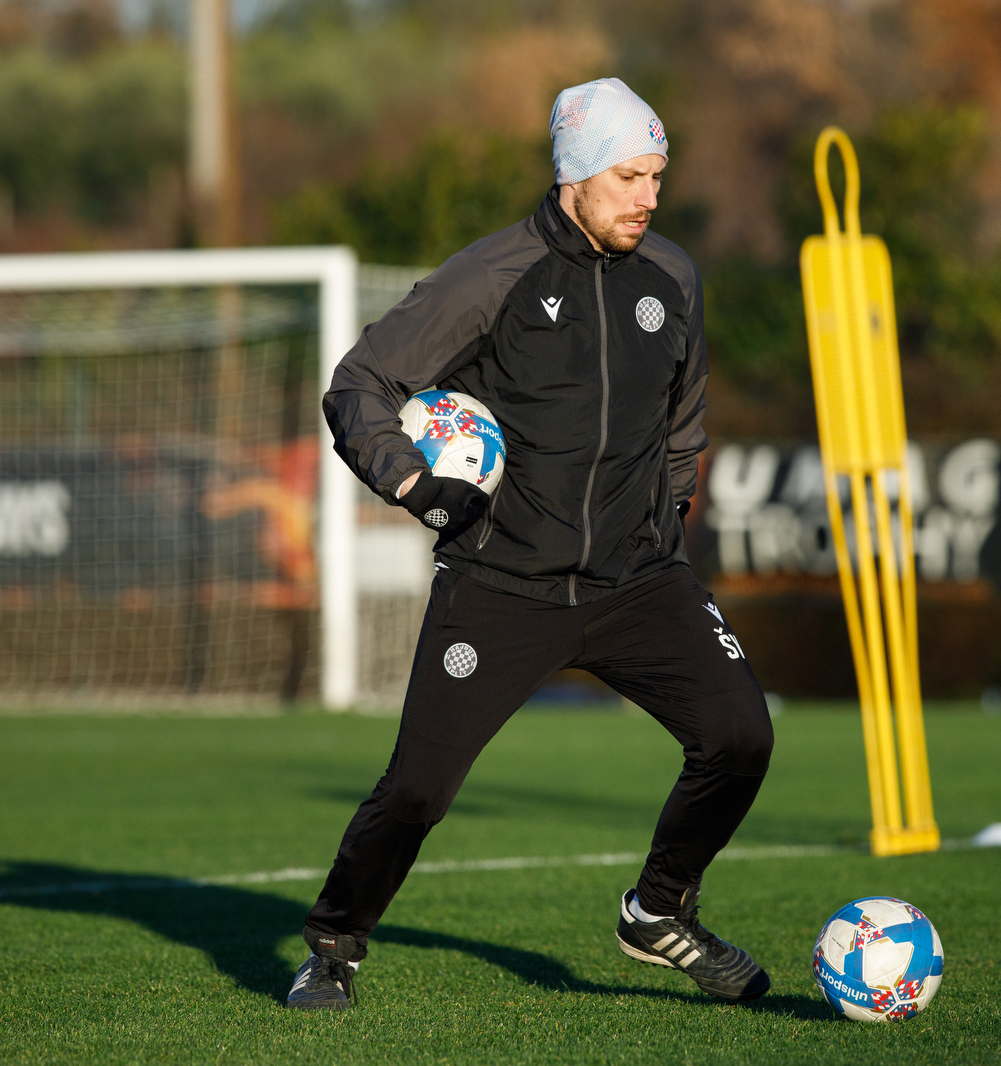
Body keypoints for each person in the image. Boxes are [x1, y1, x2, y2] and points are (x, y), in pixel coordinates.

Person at [288, 77, 774, 1011]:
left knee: (740, 737)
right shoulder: (491, 277)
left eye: (657, 177)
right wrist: (412, 484)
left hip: (638, 581)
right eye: (629, 177)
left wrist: (661, 531)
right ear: (576, 177)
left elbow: (684, 427)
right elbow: (361, 383)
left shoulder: (672, 278)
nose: (648, 197)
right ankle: (334, 947)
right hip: (501, 583)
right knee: (418, 791)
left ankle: (659, 911)